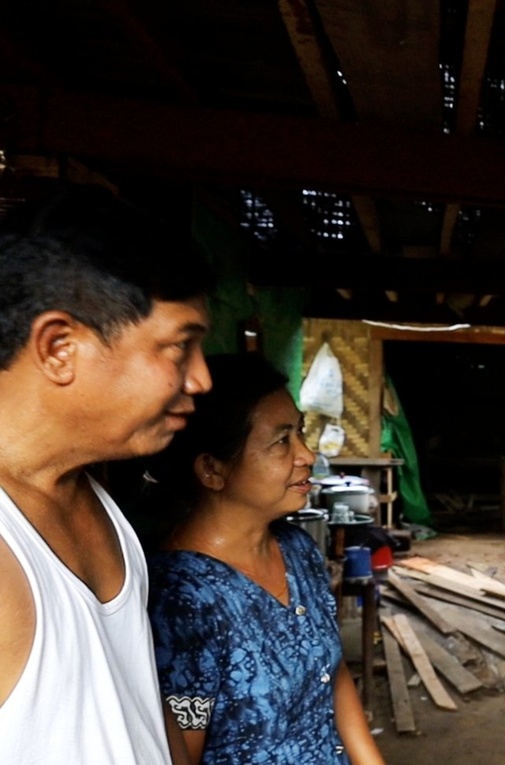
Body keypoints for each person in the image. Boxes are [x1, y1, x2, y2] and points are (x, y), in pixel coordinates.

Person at [0, 184, 214, 763]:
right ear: (60, 347)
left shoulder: (93, 496)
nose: (201, 380)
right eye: (178, 348)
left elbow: (135, 700)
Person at [133, 353, 385, 765]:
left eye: (300, 434)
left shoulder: (297, 550)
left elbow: (332, 673)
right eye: (282, 440)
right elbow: (182, 750)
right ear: (212, 469)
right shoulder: (179, 601)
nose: (305, 454)